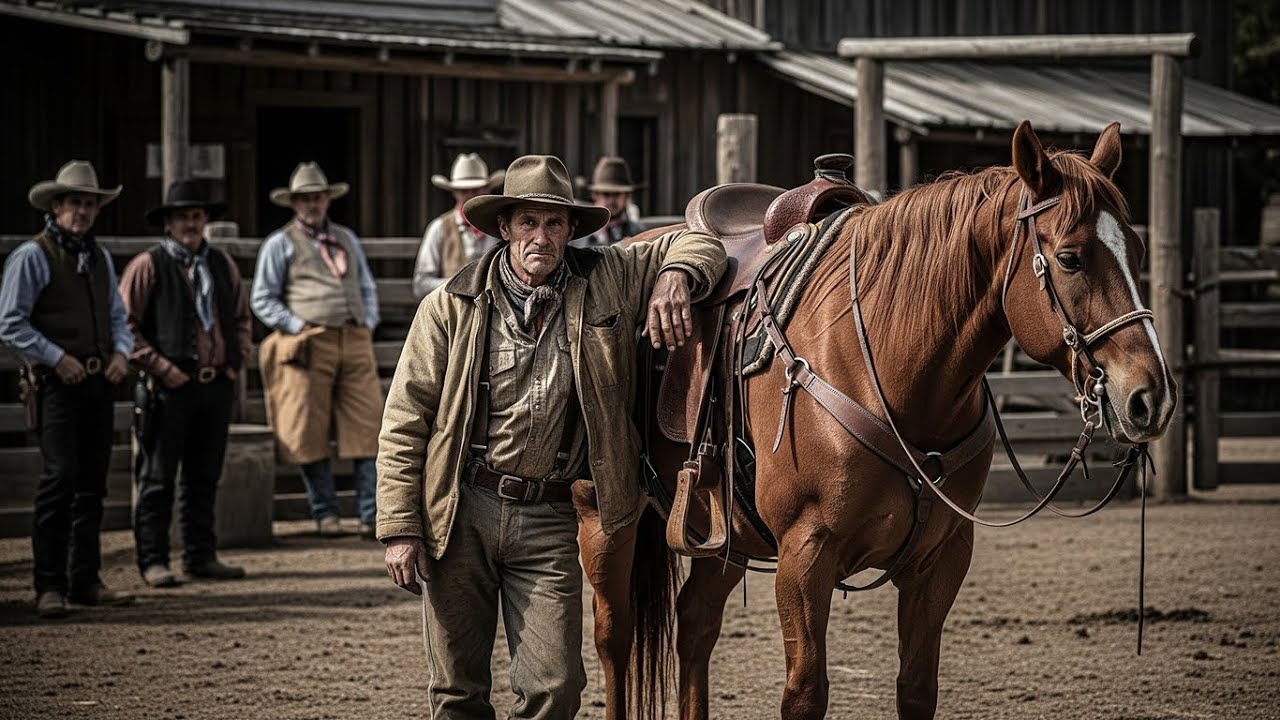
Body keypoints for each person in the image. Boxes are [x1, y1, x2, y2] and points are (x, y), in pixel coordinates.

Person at [377, 155, 726, 719]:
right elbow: (404, 422)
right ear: (505, 227)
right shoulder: (448, 306)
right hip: (461, 508)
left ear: (571, 230)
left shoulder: (608, 277)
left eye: (555, 224)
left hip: (551, 517)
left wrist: (672, 277)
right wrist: (399, 527)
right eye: (528, 223)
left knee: (556, 688)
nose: (542, 236)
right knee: (457, 692)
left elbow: (701, 241)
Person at [0, 160, 135, 618]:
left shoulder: (98, 258)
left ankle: (85, 579)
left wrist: (120, 353)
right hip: (56, 384)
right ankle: (48, 584)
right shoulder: (33, 256)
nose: (82, 210)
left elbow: (118, 316)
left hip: (98, 381)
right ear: (56, 206)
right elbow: (11, 323)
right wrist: (57, 357)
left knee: (93, 484)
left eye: (90, 203)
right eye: (75, 202)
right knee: (58, 481)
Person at [118, 179, 252, 587]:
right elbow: (125, 325)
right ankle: (153, 559)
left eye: (196, 216)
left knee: (204, 475)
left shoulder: (221, 264)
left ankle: (200, 555)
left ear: (206, 220)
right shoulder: (148, 265)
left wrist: (235, 360)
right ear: (169, 223)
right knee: (158, 476)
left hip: (214, 385)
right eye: (182, 217)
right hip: (168, 387)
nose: (191, 223)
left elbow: (242, 318)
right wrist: (160, 367)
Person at [250, 162, 381, 539]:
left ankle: (370, 515)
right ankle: (325, 514)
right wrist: (297, 326)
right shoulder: (281, 243)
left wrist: (368, 321)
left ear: (327, 199)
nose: (312, 204)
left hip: (353, 340)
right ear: (294, 203)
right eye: (305, 199)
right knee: (307, 428)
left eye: (318, 197)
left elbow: (366, 285)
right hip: (309, 344)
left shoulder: (346, 238)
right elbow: (262, 298)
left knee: (368, 426)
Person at [412, 153, 504, 299]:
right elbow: (421, 285)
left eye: (476, 189)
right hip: (452, 314)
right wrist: (461, 284)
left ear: (487, 190)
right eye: (463, 190)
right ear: (454, 192)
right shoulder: (439, 227)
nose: (470, 195)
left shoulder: (501, 227)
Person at [570, 155, 646, 248]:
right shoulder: (577, 232)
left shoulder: (639, 233)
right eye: (606, 194)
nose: (611, 200)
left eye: (617, 194)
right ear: (595, 195)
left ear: (627, 196)